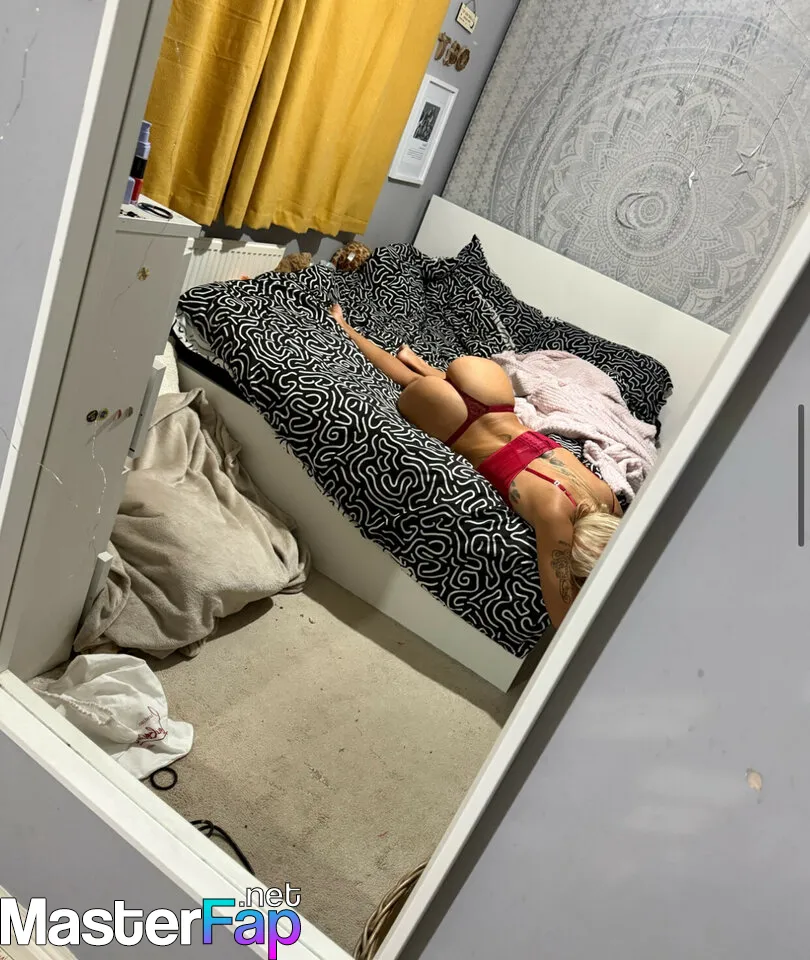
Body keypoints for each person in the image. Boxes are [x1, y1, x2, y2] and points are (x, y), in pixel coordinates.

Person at [330, 304, 623, 628]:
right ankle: (352, 331)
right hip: (458, 424)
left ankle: (409, 359)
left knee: (436, 384)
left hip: (490, 391)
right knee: (406, 381)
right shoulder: (555, 518)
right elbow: (562, 617)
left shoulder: (609, 499)